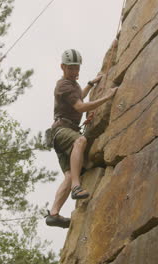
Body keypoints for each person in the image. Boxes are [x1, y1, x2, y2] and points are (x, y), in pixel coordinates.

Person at [45, 49, 118, 228]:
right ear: (63, 67)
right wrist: (107, 98)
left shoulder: (72, 85)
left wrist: (90, 84)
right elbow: (79, 106)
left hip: (59, 133)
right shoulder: (64, 85)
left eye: (77, 68)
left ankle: (53, 214)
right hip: (62, 130)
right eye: (71, 68)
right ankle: (77, 187)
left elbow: (79, 97)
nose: (75, 71)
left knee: (69, 175)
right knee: (81, 141)